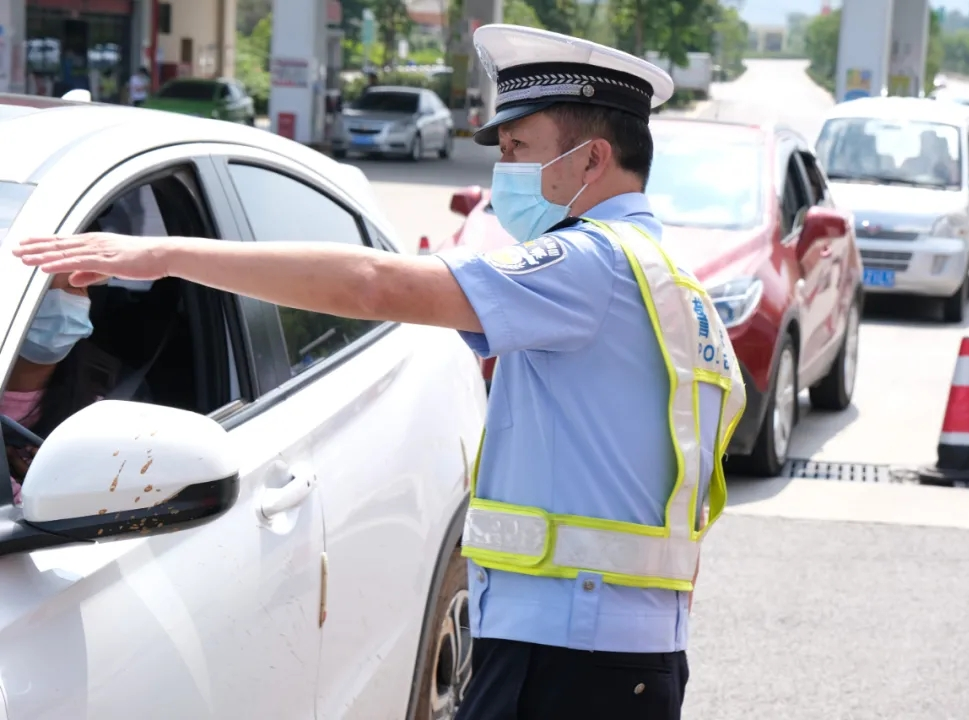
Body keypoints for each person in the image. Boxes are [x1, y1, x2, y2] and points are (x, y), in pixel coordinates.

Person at [12, 24, 746, 719]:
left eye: (521, 148)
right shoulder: (673, 289)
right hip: (617, 647)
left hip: (567, 652)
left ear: (591, 159)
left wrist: (163, 256)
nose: (505, 172)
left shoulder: (588, 266)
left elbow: (372, 285)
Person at [2, 273, 98, 504]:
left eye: (81, 283)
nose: (75, 296)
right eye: (50, 284)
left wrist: (57, 484)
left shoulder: (97, 410)